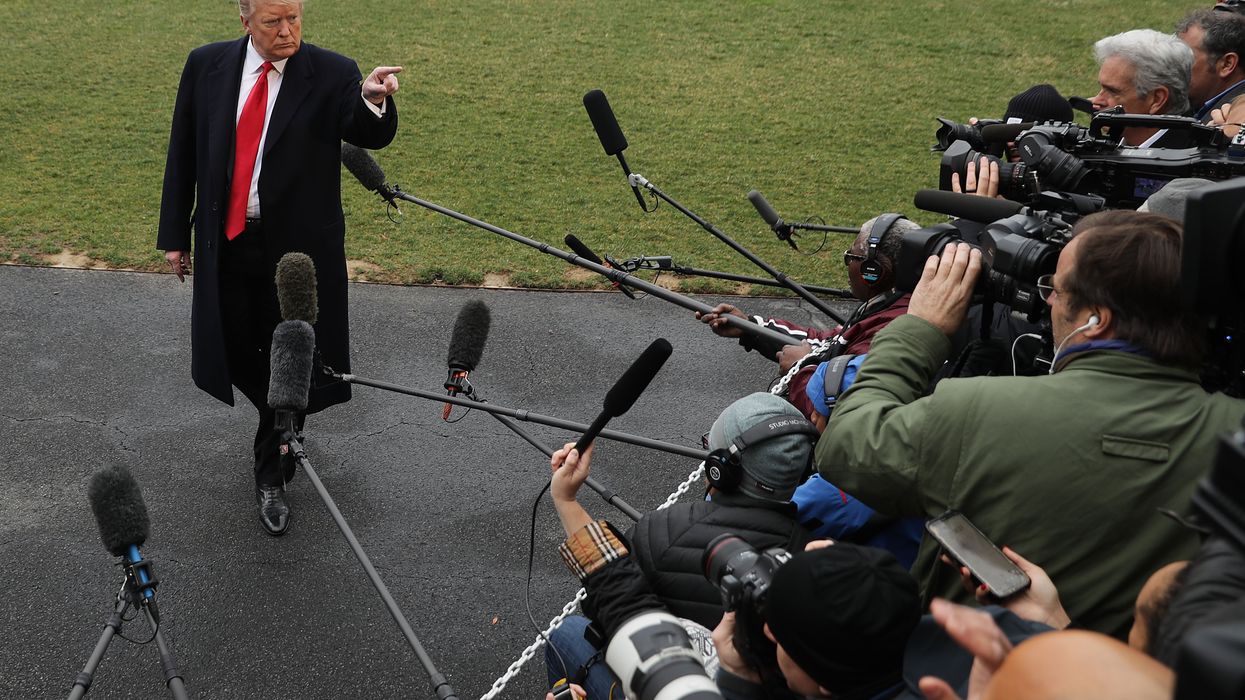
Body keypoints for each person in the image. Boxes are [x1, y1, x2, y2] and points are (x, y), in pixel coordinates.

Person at [817, 210, 1245, 639]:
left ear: (1097, 320)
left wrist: (919, 329)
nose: (1048, 303)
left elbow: (846, 446)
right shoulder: (1235, 435)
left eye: (1055, 290)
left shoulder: (978, 410)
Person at [156, 0, 401, 535]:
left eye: (294, 18)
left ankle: (273, 464)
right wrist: (175, 235)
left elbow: (366, 130)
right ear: (244, 20)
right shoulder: (206, 65)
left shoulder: (333, 71)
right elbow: (184, 150)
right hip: (228, 241)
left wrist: (373, 99)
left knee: (293, 352)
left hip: (298, 255)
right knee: (237, 347)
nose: (287, 30)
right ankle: (283, 417)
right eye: (273, 22)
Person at [696, 214, 918, 420]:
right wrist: (751, 327)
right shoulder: (895, 306)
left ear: (875, 270)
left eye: (852, 256)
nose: (848, 264)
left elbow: (837, 416)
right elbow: (826, 344)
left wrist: (800, 370)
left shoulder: (887, 332)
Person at [1090, 29, 1194, 146]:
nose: (1095, 101)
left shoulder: (1190, 160)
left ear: (1156, 99)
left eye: (1113, 92)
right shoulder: (1115, 141)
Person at [1177, 8, 1245, 122]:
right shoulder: (1194, 104)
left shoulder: (1235, 122)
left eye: (1185, 57)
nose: (1174, 66)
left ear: (1227, 64)